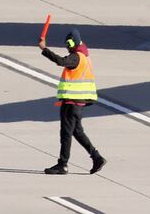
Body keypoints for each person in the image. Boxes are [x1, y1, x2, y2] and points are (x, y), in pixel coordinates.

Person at [40, 28, 106, 175]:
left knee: (66, 133)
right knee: (77, 132)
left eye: (69, 43)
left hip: (71, 102)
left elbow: (60, 61)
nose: (67, 46)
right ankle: (97, 157)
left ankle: (62, 164)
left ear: (74, 42)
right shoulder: (85, 57)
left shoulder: (77, 57)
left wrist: (44, 49)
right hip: (78, 102)